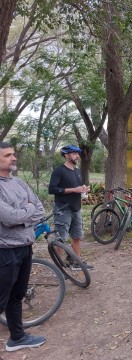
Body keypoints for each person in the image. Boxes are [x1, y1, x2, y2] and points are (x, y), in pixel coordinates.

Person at [0, 141, 46, 352]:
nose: (13, 158)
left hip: (25, 247)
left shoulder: (19, 183)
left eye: (13, 154)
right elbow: (8, 217)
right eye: (8, 155)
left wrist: (23, 215)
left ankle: (16, 338)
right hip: (5, 250)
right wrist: (26, 212)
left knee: (17, 295)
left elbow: (40, 209)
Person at [48, 144, 93, 270]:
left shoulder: (77, 171)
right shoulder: (59, 171)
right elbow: (52, 189)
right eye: (74, 154)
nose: (77, 156)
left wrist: (84, 190)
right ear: (66, 155)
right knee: (60, 239)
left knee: (77, 237)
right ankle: (59, 268)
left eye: (77, 154)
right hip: (63, 209)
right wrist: (74, 189)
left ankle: (76, 262)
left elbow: (77, 189)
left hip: (76, 208)